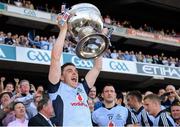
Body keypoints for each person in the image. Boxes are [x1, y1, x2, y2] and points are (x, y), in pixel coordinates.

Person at [48, 15, 104, 126]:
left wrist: (97, 39)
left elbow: (97, 68)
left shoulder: (82, 88)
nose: (74, 73)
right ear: (61, 77)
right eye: (69, 71)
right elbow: (55, 59)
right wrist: (63, 30)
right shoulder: (57, 88)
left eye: (75, 71)